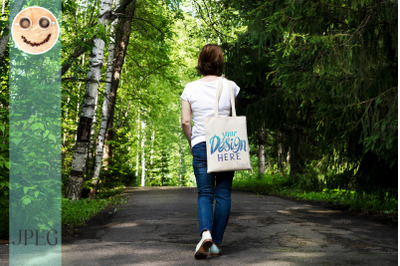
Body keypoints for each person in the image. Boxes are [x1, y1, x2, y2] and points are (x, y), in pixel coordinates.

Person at [180, 44, 240, 259]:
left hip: (201, 143)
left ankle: (205, 233)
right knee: (223, 193)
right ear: (220, 62)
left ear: (200, 63)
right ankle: (216, 242)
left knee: (205, 193)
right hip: (225, 142)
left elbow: (186, 121)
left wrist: (191, 142)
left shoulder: (190, 88)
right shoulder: (231, 86)